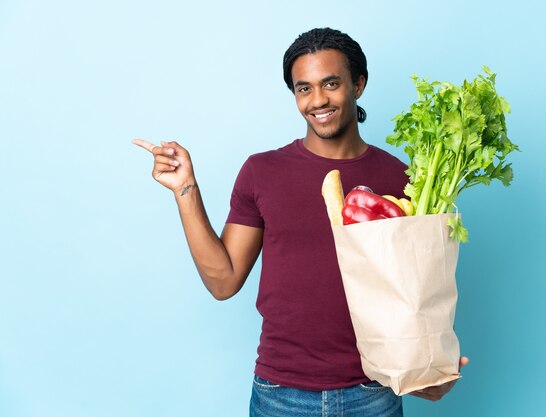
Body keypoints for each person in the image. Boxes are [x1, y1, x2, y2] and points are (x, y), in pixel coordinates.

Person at [133, 27, 468, 417]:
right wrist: (185, 188)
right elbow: (223, 282)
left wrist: (427, 367)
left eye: (331, 84)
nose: (318, 100)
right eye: (303, 88)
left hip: (373, 392)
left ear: (358, 85)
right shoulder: (263, 172)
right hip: (280, 394)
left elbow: (419, 293)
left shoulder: (405, 178)